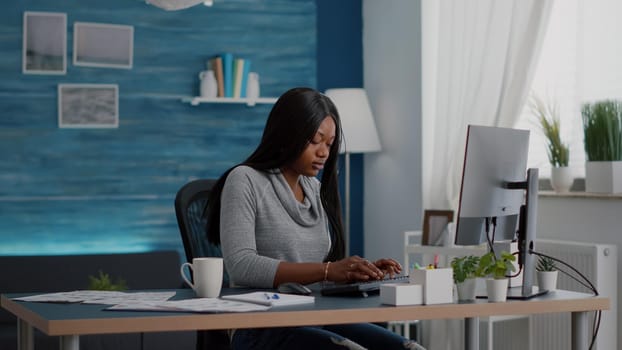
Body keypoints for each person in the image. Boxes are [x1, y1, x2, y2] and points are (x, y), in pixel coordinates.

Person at [206, 87, 423, 350]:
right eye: (315, 141)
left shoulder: (314, 188)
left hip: (315, 316)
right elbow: (242, 265)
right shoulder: (244, 180)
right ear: (287, 134)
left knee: (410, 348)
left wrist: (356, 273)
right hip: (259, 327)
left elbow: (317, 275)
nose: (324, 152)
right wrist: (329, 270)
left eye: (329, 144)